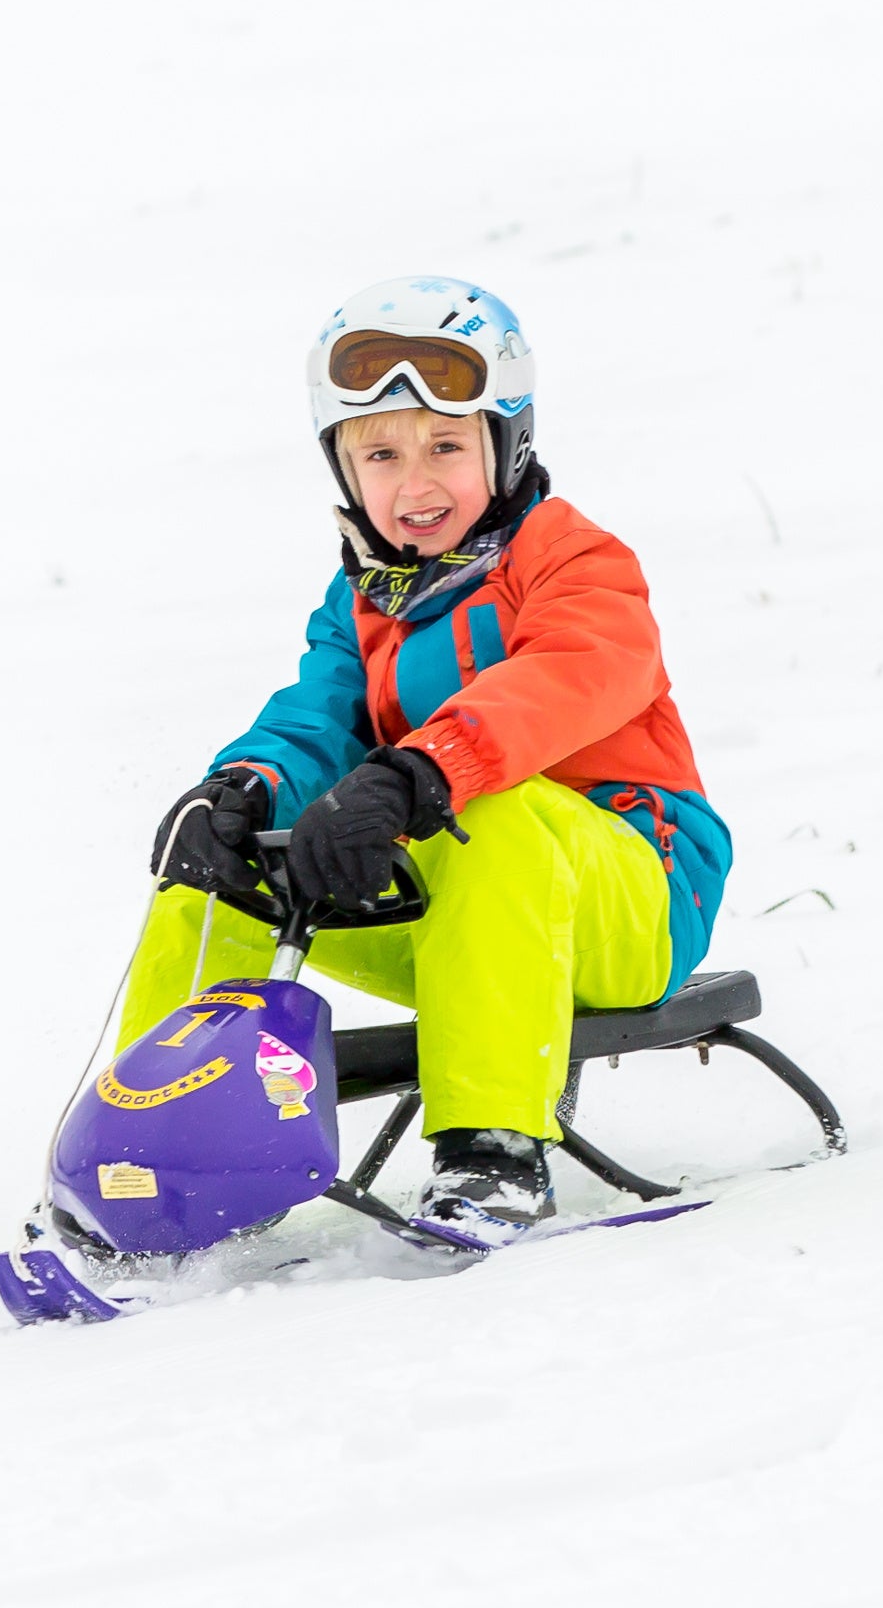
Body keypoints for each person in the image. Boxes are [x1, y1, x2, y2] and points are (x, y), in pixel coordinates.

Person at [137, 276, 731, 1244]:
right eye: (381, 453)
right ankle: (161, 1164)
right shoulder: (361, 598)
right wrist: (244, 788)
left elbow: (570, 675)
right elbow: (312, 718)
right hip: (459, 916)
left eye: (446, 446)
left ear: (507, 443)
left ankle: (493, 1152)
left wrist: (422, 771)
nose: (414, 484)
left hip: (629, 896)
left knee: (492, 812)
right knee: (215, 878)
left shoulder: (577, 562)